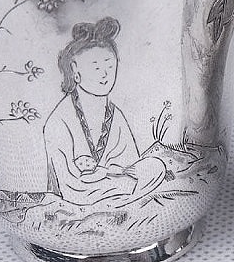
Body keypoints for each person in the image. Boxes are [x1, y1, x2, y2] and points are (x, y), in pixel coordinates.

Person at [43, 17, 166, 205]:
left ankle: (123, 194)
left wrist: (112, 174)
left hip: (115, 183)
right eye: (96, 67)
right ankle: (123, 194)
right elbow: (68, 183)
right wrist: (103, 177)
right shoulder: (59, 120)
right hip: (80, 190)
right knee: (113, 187)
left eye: (109, 65)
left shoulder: (115, 115)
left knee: (155, 166)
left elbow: (130, 163)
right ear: (75, 70)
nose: (104, 74)